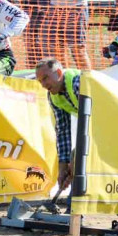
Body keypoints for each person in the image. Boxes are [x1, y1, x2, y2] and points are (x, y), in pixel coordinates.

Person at [34, 58, 81, 192]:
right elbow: (63, 131)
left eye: (46, 78)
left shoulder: (78, 83)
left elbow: (97, 118)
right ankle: (74, 205)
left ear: (59, 73)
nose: (43, 84)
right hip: (100, 124)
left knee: (80, 157)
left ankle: (76, 206)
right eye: (40, 81)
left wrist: (76, 157)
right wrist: (63, 167)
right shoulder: (53, 97)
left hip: (116, 121)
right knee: (76, 157)